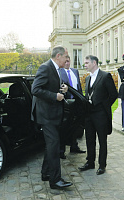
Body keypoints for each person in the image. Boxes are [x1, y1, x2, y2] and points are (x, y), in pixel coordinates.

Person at [31, 46, 73, 189]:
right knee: (54, 146)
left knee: (52, 146)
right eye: (65, 57)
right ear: (58, 56)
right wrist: (55, 96)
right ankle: (55, 180)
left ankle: (46, 173)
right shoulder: (45, 67)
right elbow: (35, 89)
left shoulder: (57, 69)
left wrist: (63, 90)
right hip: (46, 116)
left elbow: (50, 86)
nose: (67, 59)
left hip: (53, 115)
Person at [79, 55, 118, 175]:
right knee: (90, 139)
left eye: (86, 63)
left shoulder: (105, 76)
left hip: (101, 114)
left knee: (102, 140)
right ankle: (90, 162)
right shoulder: (87, 78)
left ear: (94, 63)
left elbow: (113, 94)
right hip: (89, 114)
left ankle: (102, 165)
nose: (84, 65)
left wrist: (103, 106)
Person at [59, 56, 86, 159]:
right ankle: (61, 150)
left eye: (68, 61)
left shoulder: (75, 71)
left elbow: (78, 86)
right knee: (64, 127)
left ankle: (74, 146)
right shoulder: (59, 72)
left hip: (76, 103)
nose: (67, 63)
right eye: (65, 61)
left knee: (76, 126)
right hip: (66, 103)